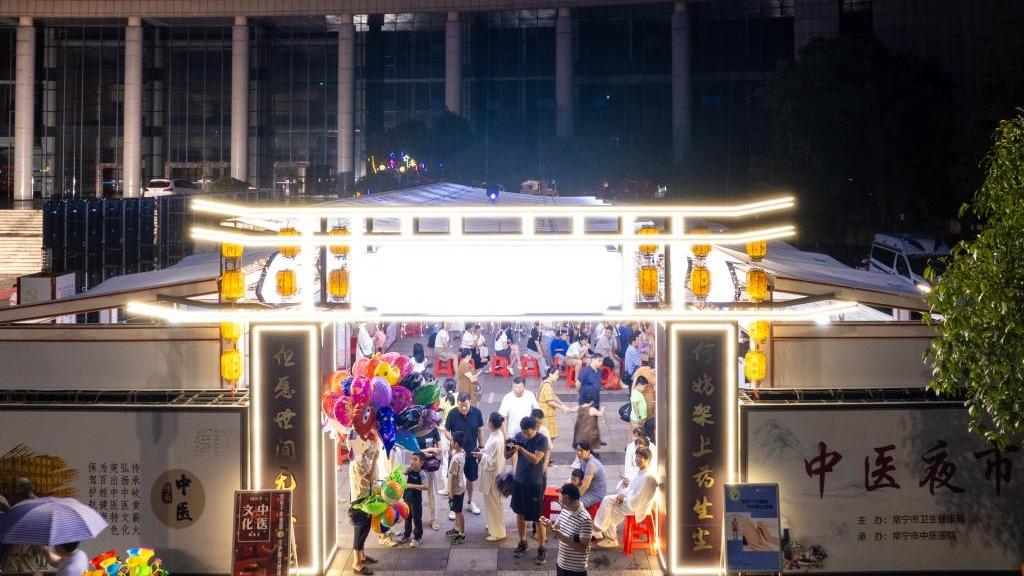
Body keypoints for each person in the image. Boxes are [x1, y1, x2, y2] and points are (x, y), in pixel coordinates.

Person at [506, 416, 550, 565]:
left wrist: (521, 449)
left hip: (534, 483)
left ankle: (542, 548)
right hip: (519, 481)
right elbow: (507, 455)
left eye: (527, 432)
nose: (524, 435)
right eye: (523, 432)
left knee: (538, 518)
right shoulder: (518, 436)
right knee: (519, 513)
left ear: (535, 428)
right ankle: (522, 542)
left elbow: (536, 459)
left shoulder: (542, 440)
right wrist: (509, 448)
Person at [593, 446, 658, 548]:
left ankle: (603, 532)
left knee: (609, 510)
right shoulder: (641, 471)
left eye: (640, 457)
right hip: (630, 500)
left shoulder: (648, 477)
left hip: (637, 506)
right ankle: (602, 531)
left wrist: (623, 498)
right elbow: (631, 487)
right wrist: (622, 494)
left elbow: (638, 499)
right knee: (607, 502)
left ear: (647, 459)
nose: (637, 459)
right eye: (636, 456)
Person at [442, 393, 485, 516]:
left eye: (466, 405)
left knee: (471, 479)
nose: (464, 408)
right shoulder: (452, 414)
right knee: (454, 479)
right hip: (456, 453)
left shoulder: (477, 412)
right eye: (461, 406)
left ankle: (470, 502)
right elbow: (445, 430)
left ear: (469, 402)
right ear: (457, 404)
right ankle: (452, 507)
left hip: (471, 452)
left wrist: (481, 447)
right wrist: (452, 439)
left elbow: (480, 431)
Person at [539, 483, 593, 576]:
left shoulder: (585, 519)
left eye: (563, 502)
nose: (561, 505)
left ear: (574, 501)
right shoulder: (565, 510)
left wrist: (562, 537)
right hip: (561, 564)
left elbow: (582, 548)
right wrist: (549, 525)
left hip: (576, 570)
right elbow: (556, 529)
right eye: (560, 501)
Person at [348, 433, 381, 575]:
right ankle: (356, 564)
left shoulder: (361, 455)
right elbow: (368, 476)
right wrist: (375, 458)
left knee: (365, 528)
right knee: (360, 529)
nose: (370, 444)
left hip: (365, 496)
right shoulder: (358, 459)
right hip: (360, 499)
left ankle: (361, 556)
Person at [475, 411, 508, 541]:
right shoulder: (496, 435)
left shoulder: (496, 439)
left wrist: (481, 455)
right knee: (493, 503)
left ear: (490, 423)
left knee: (494, 503)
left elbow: (492, 462)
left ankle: (499, 532)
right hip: (494, 474)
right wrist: (484, 452)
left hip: (493, 476)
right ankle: (494, 526)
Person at [414, 424, 444, 531]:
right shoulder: (414, 429)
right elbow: (413, 450)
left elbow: (440, 448)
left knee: (433, 493)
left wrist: (433, 451)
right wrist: (429, 450)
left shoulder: (433, 428)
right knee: (416, 495)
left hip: (431, 466)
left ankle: (434, 519)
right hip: (418, 467)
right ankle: (417, 519)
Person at [394, 452, 427, 547]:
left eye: (415, 459)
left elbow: (426, 486)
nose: (412, 461)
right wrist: (402, 471)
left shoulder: (422, 473)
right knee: (407, 517)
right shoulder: (410, 470)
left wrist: (411, 485)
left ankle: (417, 537)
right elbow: (402, 474)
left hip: (416, 501)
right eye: (411, 459)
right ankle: (407, 534)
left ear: (422, 462)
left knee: (417, 519)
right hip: (407, 498)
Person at [571, 441, 607, 511]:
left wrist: (574, 497)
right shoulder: (582, 460)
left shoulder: (591, 464)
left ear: (588, 451)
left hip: (596, 494)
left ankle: (576, 521)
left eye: (581, 450)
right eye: (577, 450)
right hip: (588, 488)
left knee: (574, 503)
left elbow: (585, 486)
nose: (578, 453)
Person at [537, 367, 572, 439]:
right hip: (546, 414)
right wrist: (562, 408)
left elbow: (554, 396)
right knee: (548, 437)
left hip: (546, 413)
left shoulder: (546, 382)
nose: (557, 377)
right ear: (550, 374)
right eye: (556, 375)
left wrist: (562, 404)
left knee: (549, 437)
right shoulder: (547, 386)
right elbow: (550, 402)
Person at [446, 432, 468, 545]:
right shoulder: (462, 452)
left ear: (456, 444)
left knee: (458, 511)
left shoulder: (455, 459)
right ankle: (456, 528)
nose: (451, 442)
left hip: (456, 489)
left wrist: (450, 491)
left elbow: (453, 477)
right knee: (456, 510)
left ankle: (462, 534)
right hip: (461, 485)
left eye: (452, 440)